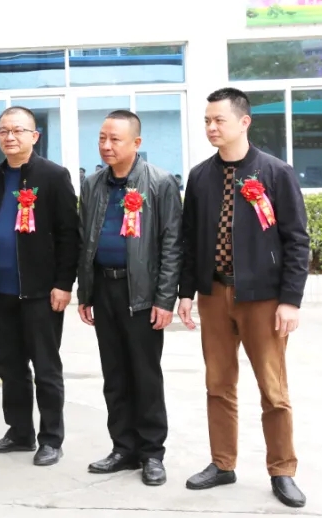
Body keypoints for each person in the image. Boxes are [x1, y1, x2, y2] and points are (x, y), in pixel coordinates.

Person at [178, 88, 309, 508]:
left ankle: (282, 470)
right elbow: (189, 240)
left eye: (219, 120)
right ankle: (222, 463)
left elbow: (296, 239)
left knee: (273, 389)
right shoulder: (200, 176)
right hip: (214, 293)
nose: (211, 127)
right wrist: (186, 292)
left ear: (244, 122)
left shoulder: (275, 172)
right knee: (217, 384)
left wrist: (290, 299)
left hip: (263, 299)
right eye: (207, 121)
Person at [76, 110, 182, 486]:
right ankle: (123, 448)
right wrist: (85, 291)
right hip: (104, 289)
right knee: (115, 374)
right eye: (102, 138)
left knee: (145, 376)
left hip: (142, 293)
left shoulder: (160, 182)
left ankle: (152, 453)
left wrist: (165, 299)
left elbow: (172, 244)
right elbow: (85, 239)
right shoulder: (93, 184)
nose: (106, 146)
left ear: (136, 143)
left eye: (115, 139)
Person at [0, 106, 79, 467]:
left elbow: (69, 235)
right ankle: (19, 432)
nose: (10, 137)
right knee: (8, 365)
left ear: (35, 136)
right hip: (0, 291)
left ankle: (51, 439)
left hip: (40, 292)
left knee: (45, 368)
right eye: (3, 131)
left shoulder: (53, 176)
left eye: (18, 130)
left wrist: (63, 283)